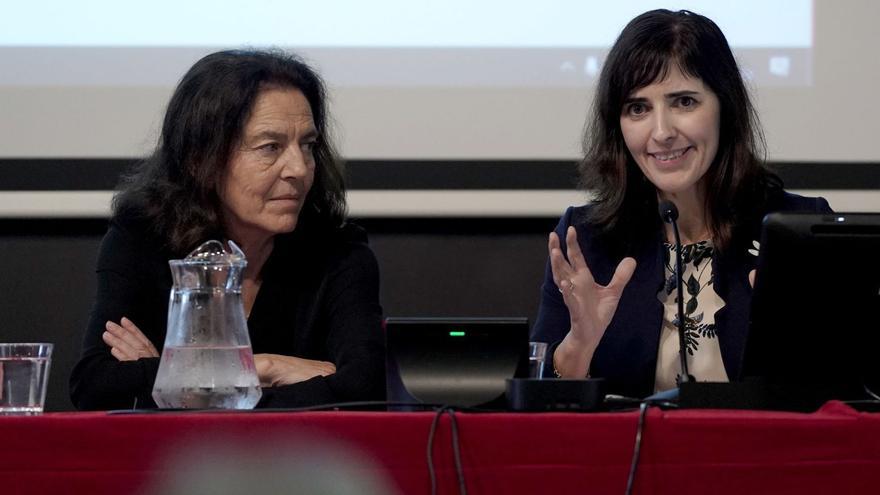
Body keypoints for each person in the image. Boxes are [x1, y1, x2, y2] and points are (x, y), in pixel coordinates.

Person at [531, 9, 831, 399]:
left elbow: (841, 402)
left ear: (725, 107)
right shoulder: (588, 240)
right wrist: (580, 345)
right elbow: (536, 411)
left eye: (684, 102)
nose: (661, 132)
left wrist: (801, 337)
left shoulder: (798, 230)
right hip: (630, 458)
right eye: (638, 108)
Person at [70, 49, 385, 410]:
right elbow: (96, 384)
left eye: (308, 146)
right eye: (271, 147)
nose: (299, 168)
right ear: (200, 159)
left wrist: (180, 381)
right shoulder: (144, 240)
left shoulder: (338, 253)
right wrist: (264, 367)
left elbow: (367, 389)